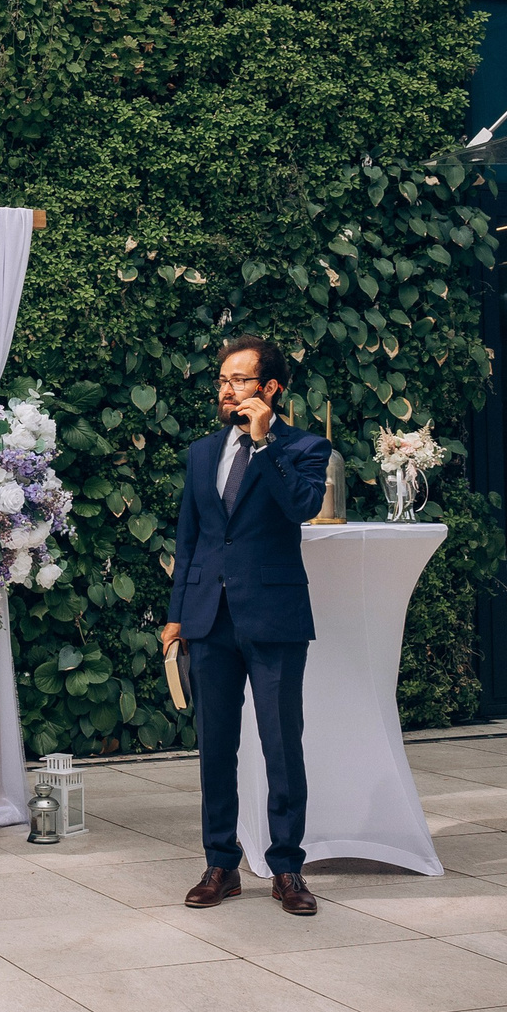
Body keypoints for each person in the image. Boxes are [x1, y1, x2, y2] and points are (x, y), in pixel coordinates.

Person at [159, 335, 333, 917]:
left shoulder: (305, 447)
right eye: (223, 380)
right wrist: (177, 614)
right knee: (216, 747)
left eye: (238, 380)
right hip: (210, 618)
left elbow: (303, 506)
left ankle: (287, 868)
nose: (226, 389)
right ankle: (220, 864)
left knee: (282, 744)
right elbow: (191, 538)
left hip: (274, 617)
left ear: (271, 389)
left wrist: (264, 446)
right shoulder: (202, 452)